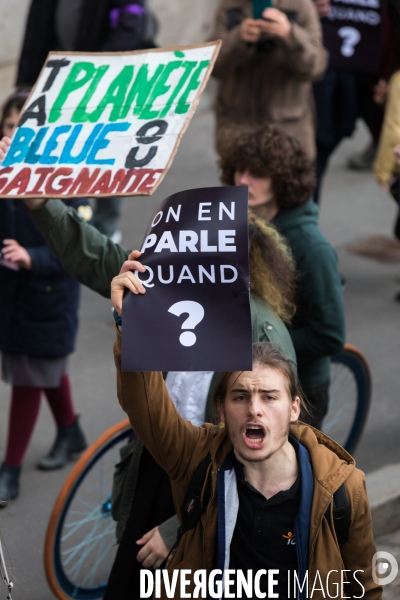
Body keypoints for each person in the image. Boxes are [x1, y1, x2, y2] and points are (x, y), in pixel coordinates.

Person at [110, 282, 381, 599]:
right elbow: (146, 408)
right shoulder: (197, 458)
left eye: (269, 397)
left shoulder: (344, 490)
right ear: (222, 410)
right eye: (240, 397)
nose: (254, 409)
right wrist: (130, 323)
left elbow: (366, 588)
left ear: (294, 408)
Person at [218, 123, 345, 428]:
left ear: (283, 182)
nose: (242, 180)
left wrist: (262, 346)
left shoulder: (312, 248)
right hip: (247, 379)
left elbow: (330, 334)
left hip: (300, 387)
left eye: (257, 174)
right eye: (238, 170)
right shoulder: (242, 222)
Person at [0, 94, 89, 504]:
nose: (16, 135)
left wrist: (30, 257)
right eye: (9, 126)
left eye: (26, 128)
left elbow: (78, 246)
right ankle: (71, 430)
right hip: (13, 297)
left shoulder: (69, 177)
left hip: (49, 298)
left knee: (28, 378)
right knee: (43, 365)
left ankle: (10, 469)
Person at [15, 0, 158, 241]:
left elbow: (131, 27)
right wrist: (28, 83)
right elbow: (37, 29)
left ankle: (105, 229)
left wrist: (94, 71)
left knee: (110, 154)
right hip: (63, 79)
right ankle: (62, 228)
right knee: (62, 156)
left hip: (109, 80)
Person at [209, 0, 328, 160]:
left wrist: (290, 34)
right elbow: (212, 67)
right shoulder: (230, 7)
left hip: (287, 131)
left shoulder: (300, 6)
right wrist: (238, 39)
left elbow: (316, 67)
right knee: (241, 183)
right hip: (237, 127)